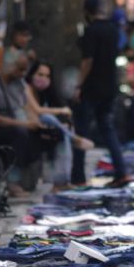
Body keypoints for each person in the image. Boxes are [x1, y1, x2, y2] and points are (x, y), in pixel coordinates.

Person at [73, 0, 129, 187]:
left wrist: (78, 84)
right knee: (107, 128)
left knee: (81, 130)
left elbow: (87, 61)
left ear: (87, 12)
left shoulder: (91, 31)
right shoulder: (113, 30)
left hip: (91, 88)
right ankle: (121, 172)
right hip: (110, 87)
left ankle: (78, 176)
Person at [24, 61, 94, 191]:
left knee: (63, 135)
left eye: (47, 76)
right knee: (48, 118)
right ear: (32, 74)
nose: (43, 79)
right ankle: (74, 138)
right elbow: (37, 110)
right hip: (27, 125)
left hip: (42, 128)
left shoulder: (44, 93)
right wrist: (61, 110)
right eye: (40, 74)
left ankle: (62, 182)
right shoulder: (26, 88)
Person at [0, 52, 43, 197]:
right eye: (20, 69)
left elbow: (24, 107)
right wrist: (23, 123)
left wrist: (33, 120)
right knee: (20, 133)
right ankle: (11, 182)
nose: (23, 74)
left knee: (37, 132)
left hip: (15, 123)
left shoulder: (18, 84)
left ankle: (29, 179)